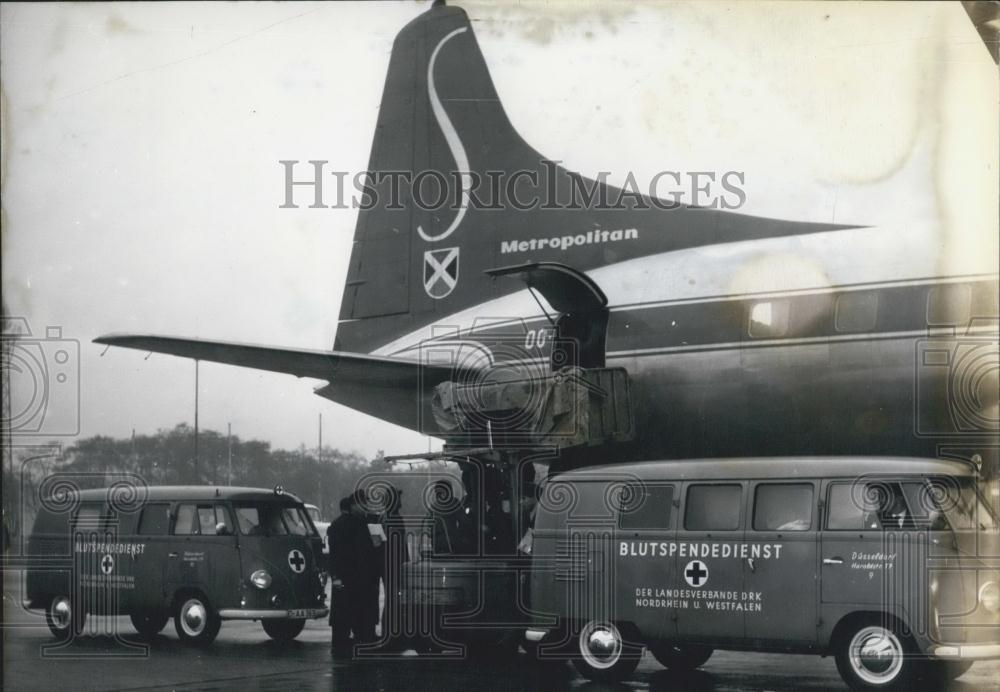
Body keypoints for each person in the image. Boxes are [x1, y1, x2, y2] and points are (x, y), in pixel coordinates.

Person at [327, 491, 382, 655]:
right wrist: (336, 575)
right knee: (344, 609)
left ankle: (356, 635)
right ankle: (344, 638)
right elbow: (336, 554)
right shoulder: (344, 525)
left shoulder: (363, 523)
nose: (365, 506)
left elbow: (375, 547)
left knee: (353, 607)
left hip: (359, 574)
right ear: (352, 506)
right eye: (361, 503)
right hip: (348, 573)